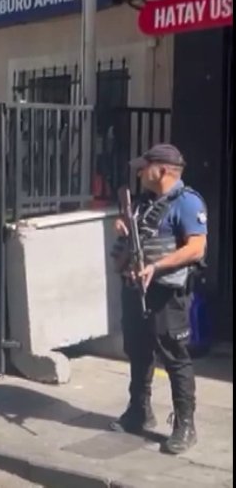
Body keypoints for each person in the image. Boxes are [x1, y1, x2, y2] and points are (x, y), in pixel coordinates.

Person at [110, 143, 207, 455]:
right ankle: (139, 410)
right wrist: (126, 232)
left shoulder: (187, 203)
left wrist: (156, 266)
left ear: (162, 170)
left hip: (167, 293)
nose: (139, 172)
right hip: (135, 289)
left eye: (144, 166)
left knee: (174, 356)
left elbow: (196, 248)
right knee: (138, 351)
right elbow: (120, 258)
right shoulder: (141, 204)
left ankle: (185, 424)